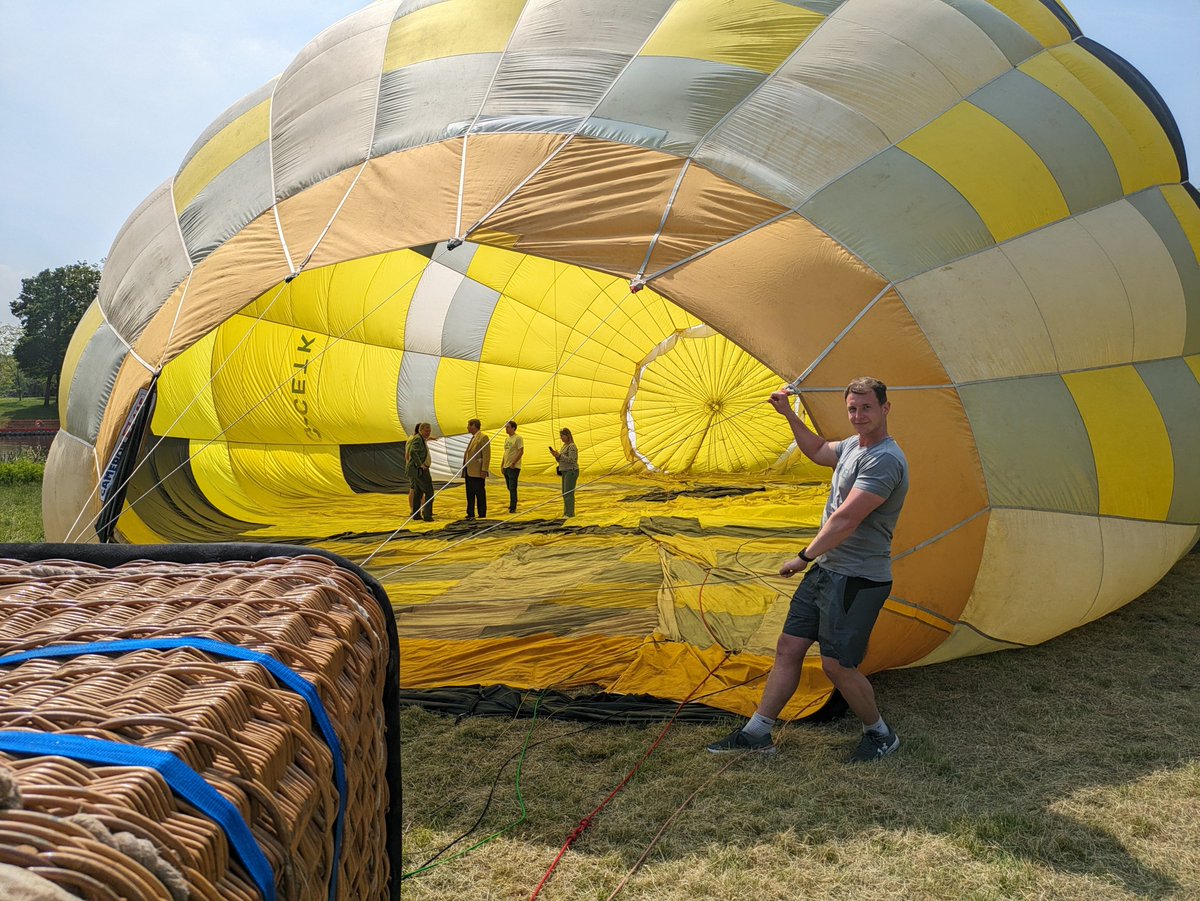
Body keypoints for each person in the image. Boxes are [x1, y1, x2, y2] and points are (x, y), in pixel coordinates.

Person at [708, 377, 908, 763]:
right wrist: (787, 414)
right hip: (827, 571)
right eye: (852, 408)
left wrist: (804, 557)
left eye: (866, 407)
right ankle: (758, 733)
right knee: (789, 647)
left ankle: (880, 734)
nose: (858, 415)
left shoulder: (885, 459)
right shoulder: (852, 446)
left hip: (857, 578)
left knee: (837, 664)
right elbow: (817, 449)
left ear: (885, 408)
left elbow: (847, 519)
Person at [405, 422, 435, 522]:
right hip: (420, 470)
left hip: (417, 470)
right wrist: (420, 465)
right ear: (420, 430)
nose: (428, 433)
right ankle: (427, 515)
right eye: (426, 431)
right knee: (429, 492)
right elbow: (412, 452)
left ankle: (416, 514)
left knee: (418, 493)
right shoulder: (417, 439)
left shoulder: (420, 438)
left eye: (429, 431)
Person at [463, 418, 491, 520]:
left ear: (474, 425)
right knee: (469, 493)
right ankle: (470, 513)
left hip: (477, 472)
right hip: (469, 471)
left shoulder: (483, 437)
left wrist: (484, 469)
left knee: (479, 493)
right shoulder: (473, 438)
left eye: (468, 425)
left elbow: (486, 455)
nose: (467, 428)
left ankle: (482, 513)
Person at [548, 427, 579, 517]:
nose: (561, 438)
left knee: (568, 493)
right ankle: (567, 512)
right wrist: (556, 456)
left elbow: (572, 460)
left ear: (567, 436)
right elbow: (561, 460)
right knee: (565, 493)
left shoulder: (572, 446)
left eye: (562, 436)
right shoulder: (564, 446)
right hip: (565, 471)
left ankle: (570, 514)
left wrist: (560, 456)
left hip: (571, 471)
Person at [501, 420, 524, 513]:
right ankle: (511, 504)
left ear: (513, 428)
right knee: (509, 487)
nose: (506, 429)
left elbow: (521, 451)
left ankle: (513, 506)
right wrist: (502, 465)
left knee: (512, 487)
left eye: (508, 427)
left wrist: (514, 463)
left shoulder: (518, 438)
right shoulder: (507, 439)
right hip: (506, 466)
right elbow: (505, 453)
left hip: (513, 467)